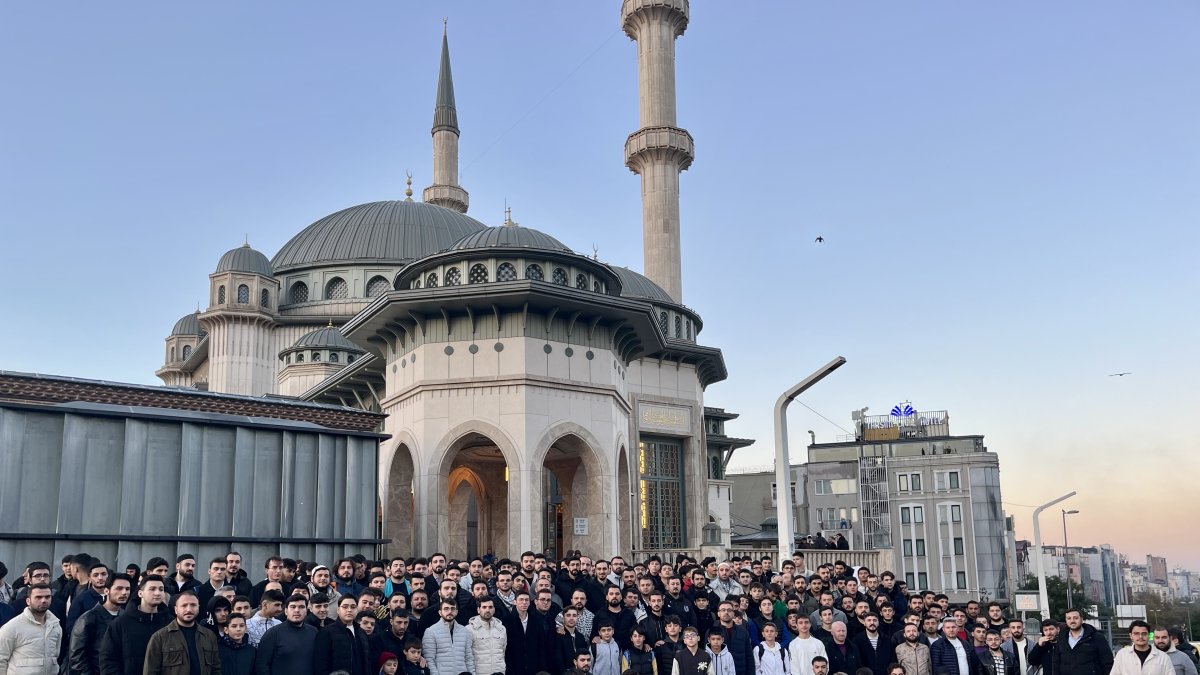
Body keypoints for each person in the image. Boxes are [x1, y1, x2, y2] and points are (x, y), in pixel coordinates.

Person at [98, 574, 172, 675]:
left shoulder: (171, 623)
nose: (157, 593)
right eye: (152, 589)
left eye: (161, 589)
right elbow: (108, 659)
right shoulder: (121, 623)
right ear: (140, 593)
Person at [142, 591, 222, 675]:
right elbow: (150, 671)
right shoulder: (159, 637)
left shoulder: (209, 636)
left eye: (193, 605)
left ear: (198, 608)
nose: (189, 609)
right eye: (184, 605)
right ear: (176, 609)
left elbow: (215, 669)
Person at [69, 572, 131, 675]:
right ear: (106, 591)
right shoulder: (88, 618)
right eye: (119, 588)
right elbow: (77, 657)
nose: (124, 593)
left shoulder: (126, 618)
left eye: (127, 589)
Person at [0, 583, 60, 675]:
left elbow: (55, 654)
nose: (44, 600)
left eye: (47, 597)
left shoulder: (55, 625)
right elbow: (1, 659)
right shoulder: (13, 627)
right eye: (38, 597)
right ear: (28, 601)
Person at [254, 593, 318, 675]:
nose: (297, 610)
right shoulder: (273, 634)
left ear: (306, 610)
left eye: (301, 607)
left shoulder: (314, 632)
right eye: (293, 607)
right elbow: (262, 665)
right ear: (286, 611)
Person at [315, 594, 372, 675]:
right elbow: (321, 664)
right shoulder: (327, 632)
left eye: (353, 607)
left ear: (357, 609)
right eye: (345, 607)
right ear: (338, 610)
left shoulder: (362, 632)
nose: (349, 610)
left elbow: (367, 662)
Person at [1050, 610, 1111, 675]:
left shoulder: (1096, 638)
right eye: (1069, 618)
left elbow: (1107, 662)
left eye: (1075, 618)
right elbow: (1056, 663)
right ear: (1066, 620)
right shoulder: (1061, 638)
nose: (1072, 621)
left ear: (1081, 619)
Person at [420, 600, 472, 675]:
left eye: (452, 609)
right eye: (446, 609)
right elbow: (429, 659)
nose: (450, 611)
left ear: (456, 612)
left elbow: (469, 658)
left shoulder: (465, 631)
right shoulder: (431, 631)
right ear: (440, 612)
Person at [466, 597, 506, 675]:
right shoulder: (469, 629)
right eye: (484, 607)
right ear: (478, 610)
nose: (487, 610)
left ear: (494, 609)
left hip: (499, 672)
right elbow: (467, 656)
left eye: (490, 607)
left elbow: (503, 651)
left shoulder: (501, 629)